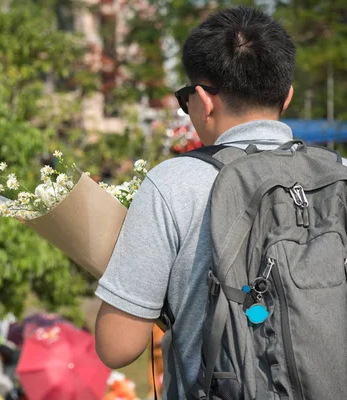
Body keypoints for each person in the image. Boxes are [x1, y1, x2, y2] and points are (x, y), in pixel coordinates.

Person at [94, 7, 299, 399]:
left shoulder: (174, 183)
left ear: (202, 101)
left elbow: (117, 347)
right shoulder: (338, 173)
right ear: (286, 97)